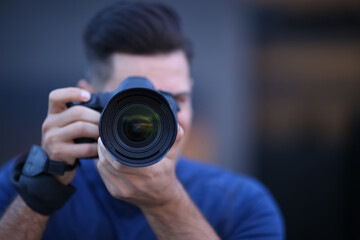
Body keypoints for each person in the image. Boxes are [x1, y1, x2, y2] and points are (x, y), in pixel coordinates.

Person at [0, 2, 284, 239]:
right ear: (86, 101)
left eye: (176, 100)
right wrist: (41, 189)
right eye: (138, 102)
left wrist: (165, 203)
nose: (163, 117)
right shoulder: (17, 187)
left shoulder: (243, 203)